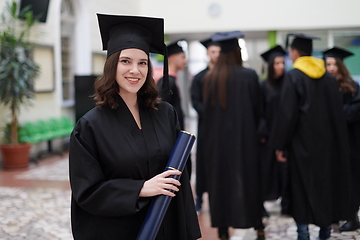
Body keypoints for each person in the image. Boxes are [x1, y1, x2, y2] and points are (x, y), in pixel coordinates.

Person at [68, 13, 201, 240]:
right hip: (121, 230)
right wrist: (140, 189)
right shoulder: (90, 126)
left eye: (142, 63)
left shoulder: (165, 114)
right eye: (125, 61)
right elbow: (87, 191)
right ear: (112, 65)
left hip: (165, 226)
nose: (135, 70)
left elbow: (181, 174)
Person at [273, 33, 353, 240]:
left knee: (300, 189)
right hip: (327, 146)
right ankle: (325, 232)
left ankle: (303, 234)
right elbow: (337, 113)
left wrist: (280, 145)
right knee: (325, 188)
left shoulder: (293, 77)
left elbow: (287, 115)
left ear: (294, 53)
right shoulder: (327, 77)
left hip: (301, 147)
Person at [200, 31, 264, 240]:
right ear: (237, 52)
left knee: (221, 183)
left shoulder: (210, 78)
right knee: (249, 181)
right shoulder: (249, 76)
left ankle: (222, 228)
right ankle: (256, 224)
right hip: (245, 141)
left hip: (217, 143)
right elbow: (259, 111)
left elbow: (206, 115)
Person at [323, 46, 360, 232]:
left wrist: (335, 114)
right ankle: (335, 214)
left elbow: (355, 112)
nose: (330, 68)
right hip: (331, 142)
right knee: (333, 178)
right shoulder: (323, 86)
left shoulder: (352, 86)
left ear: (339, 65)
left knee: (350, 179)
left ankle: (352, 216)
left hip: (350, 142)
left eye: (333, 64)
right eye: (327, 64)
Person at [190, 37, 221, 213]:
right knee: (203, 161)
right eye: (213, 52)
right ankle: (200, 199)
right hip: (206, 126)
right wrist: (209, 114)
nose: (216, 55)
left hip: (223, 128)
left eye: (218, 52)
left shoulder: (226, 76)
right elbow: (195, 100)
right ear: (207, 54)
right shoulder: (200, 77)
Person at [258, 45, 289, 216]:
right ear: (270, 65)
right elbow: (259, 111)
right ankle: (261, 205)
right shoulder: (263, 86)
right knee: (266, 171)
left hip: (285, 135)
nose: (281, 66)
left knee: (285, 172)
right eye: (277, 63)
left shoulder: (289, 83)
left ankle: (287, 204)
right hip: (268, 136)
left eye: (282, 63)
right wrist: (262, 133)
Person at [157, 40, 192, 177]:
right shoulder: (167, 82)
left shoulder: (169, 80)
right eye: (183, 57)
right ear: (172, 58)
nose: (185, 61)